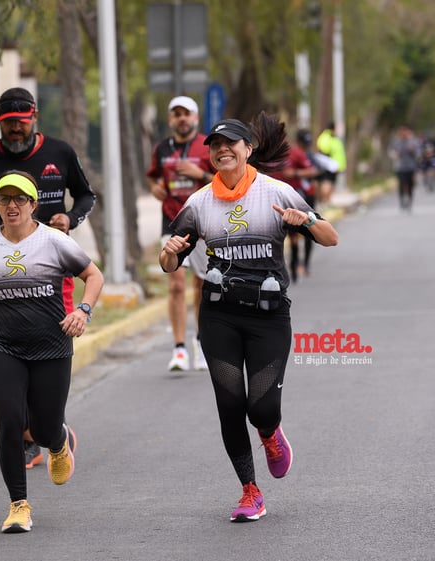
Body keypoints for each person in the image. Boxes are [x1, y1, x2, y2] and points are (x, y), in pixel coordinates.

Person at [159, 114, 338, 523]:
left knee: (261, 408)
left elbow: (331, 237)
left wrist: (307, 220)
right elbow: (170, 263)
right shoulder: (199, 203)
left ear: (248, 149)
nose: (223, 150)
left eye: (231, 144)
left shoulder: (278, 192)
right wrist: (169, 252)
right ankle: (249, 490)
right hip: (219, 316)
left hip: (268, 318)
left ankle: (271, 434)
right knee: (228, 404)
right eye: (216, 145)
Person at [0, 87, 97, 470]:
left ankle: (47, 430)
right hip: (3, 268)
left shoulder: (59, 152)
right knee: (11, 351)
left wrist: (70, 219)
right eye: (8, 124)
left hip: (53, 267)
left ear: (34, 118)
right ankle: (28, 437)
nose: (15, 130)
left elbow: (86, 196)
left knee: (41, 346)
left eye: (21, 122)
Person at [0, 170, 104, 534]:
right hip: (2, 344)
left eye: (19, 199)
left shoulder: (54, 242)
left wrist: (82, 311)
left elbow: (94, 276)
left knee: (42, 426)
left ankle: (58, 442)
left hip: (51, 345)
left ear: (33, 204)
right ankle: (19, 505)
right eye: (4, 199)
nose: (11, 206)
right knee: (9, 423)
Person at [146, 95, 215, 371]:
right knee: (175, 284)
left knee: (201, 285)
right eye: (176, 114)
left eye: (186, 114)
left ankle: (200, 343)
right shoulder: (162, 148)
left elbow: (223, 179)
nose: (181, 119)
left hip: (202, 222)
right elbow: (152, 175)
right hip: (172, 220)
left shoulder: (207, 145)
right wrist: (154, 187)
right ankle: (178, 349)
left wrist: (200, 173)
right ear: (170, 119)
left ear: (195, 118)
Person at [268, 128, 321, 281]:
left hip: (296, 197)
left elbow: (312, 171)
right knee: (278, 234)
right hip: (274, 200)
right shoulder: (267, 156)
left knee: (302, 231)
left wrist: (295, 174)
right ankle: (287, 266)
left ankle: (302, 263)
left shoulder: (296, 153)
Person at [389, 125, 421, 211]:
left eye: (405, 132)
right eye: (401, 132)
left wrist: (413, 151)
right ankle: (402, 200)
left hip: (411, 167)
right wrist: (395, 155)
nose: (403, 134)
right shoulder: (396, 143)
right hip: (400, 167)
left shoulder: (413, 142)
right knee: (402, 184)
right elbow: (391, 153)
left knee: (410, 185)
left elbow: (418, 154)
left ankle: (410, 201)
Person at [315, 121, 346, 205]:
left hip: (334, 166)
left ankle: (328, 201)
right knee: (327, 182)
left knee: (331, 183)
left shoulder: (333, 138)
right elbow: (324, 150)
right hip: (329, 166)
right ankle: (325, 201)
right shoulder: (326, 137)